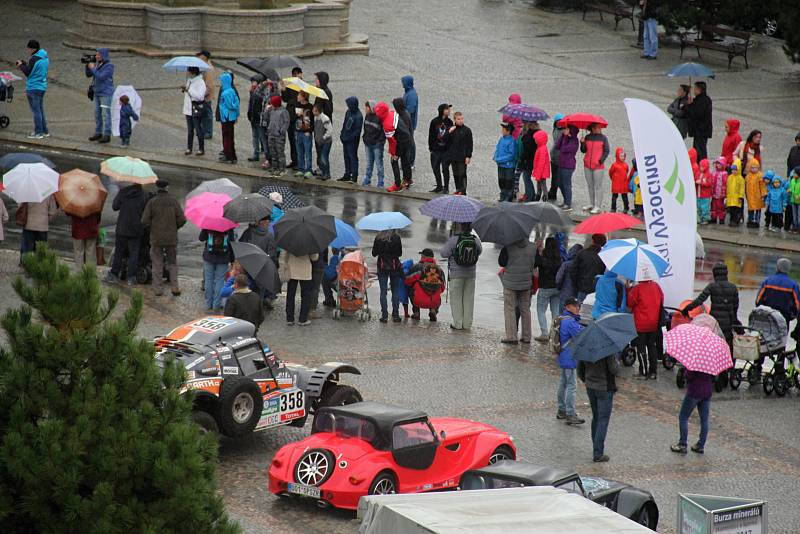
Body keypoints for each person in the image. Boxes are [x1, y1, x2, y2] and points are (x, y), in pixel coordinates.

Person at [141, 180, 186, 297]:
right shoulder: (174, 201)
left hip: (156, 238)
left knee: (157, 263)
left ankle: (158, 288)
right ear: (167, 187)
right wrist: (174, 227)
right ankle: (174, 286)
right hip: (171, 238)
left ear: (157, 188)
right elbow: (182, 219)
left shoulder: (152, 202)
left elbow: (144, 220)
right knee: (172, 262)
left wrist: (153, 227)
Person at [682, 262, 739, 345]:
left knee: (714, 343)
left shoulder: (712, 286)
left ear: (715, 274)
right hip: (728, 323)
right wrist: (734, 321)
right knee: (726, 345)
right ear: (726, 273)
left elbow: (700, 300)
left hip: (714, 322)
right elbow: (735, 307)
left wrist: (687, 308)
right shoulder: (733, 287)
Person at [440, 222, 482, 330]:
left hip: (456, 274)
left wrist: (451, 243)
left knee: (456, 299)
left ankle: (457, 323)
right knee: (468, 299)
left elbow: (443, 253)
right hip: (471, 274)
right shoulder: (475, 239)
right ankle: (467, 324)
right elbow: (480, 251)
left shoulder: (454, 239)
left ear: (461, 226)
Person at [578, 351, 618, 462]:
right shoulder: (607, 349)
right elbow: (614, 369)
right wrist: (617, 362)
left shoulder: (586, 346)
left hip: (590, 386)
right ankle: (598, 452)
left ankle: (595, 445)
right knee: (603, 420)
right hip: (604, 387)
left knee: (596, 417)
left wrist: (586, 380)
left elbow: (580, 369)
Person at [105, 183, 148, 285]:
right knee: (134, 253)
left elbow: (115, 206)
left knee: (119, 252)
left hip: (122, 228)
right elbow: (146, 212)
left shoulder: (123, 192)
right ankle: (131, 277)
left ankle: (114, 274)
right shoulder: (144, 195)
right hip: (136, 229)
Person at [499, 238, 536, 345]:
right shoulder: (533, 247)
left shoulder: (508, 246)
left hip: (510, 283)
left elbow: (501, 262)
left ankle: (511, 336)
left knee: (509, 309)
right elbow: (537, 263)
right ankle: (526, 336)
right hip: (526, 283)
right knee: (525, 309)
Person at [556, 297, 586, 426]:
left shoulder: (563, 319)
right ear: (567, 307)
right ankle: (570, 413)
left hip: (563, 356)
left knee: (563, 383)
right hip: (570, 357)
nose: (577, 308)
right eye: (575, 306)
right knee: (571, 386)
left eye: (578, 306)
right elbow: (582, 335)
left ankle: (562, 410)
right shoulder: (570, 322)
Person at [628, 278, 664, 379]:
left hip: (641, 323)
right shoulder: (656, 286)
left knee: (641, 347)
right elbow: (662, 300)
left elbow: (630, 303)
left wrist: (628, 289)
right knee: (652, 346)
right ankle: (653, 372)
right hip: (654, 322)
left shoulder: (637, 289)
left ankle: (643, 372)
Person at [373, 101, 413, 193]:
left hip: (401, 142)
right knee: (405, 161)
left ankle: (397, 185)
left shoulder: (387, 125)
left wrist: (393, 153)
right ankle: (408, 179)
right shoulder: (392, 113)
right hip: (407, 139)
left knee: (394, 161)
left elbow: (392, 142)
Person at [671, 370, 713, 454]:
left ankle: (682, 444)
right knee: (704, 420)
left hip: (694, 390)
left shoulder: (695, 361)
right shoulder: (710, 362)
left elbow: (689, 376)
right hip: (707, 391)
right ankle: (700, 445)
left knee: (683, 417)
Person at [16, 39, 49, 139]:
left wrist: (21, 65)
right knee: (40, 110)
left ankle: (38, 133)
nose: (28, 51)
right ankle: (45, 131)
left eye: (29, 49)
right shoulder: (45, 57)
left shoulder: (34, 59)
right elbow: (34, 69)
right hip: (42, 86)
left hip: (33, 87)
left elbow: (28, 73)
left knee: (36, 111)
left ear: (32, 49)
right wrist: (26, 64)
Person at [755, 257, 800, 326]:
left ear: (777, 267)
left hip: (767, 316)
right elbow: (797, 305)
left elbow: (758, 301)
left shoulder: (767, 281)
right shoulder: (793, 285)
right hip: (784, 319)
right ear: (788, 269)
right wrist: (791, 316)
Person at [405, 249, 446, 322]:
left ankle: (416, 313)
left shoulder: (417, 267)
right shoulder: (439, 270)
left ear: (423, 256)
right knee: (437, 290)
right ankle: (433, 310)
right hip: (434, 301)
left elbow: (407, 281)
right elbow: (443, 288)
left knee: (412, 286)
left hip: (418, 299)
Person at [372, 229, 403, 323]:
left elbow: (374, 253)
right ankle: (396, 315)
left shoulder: (378, 238)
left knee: (383, 292)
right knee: (395, 291)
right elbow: (399, 253)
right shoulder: (397, 237)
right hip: (394, 267)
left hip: (382, 267)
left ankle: (384, 315)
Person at [199, 229, 234, 311]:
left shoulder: (208, 223)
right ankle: (216, 305)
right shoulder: (228, 224)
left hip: (209, 257)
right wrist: (232, 259)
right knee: (220, 280)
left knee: (208, 279)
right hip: (223, 257)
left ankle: (208, 304)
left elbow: (201, 238)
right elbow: (232, 242)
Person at [281, 250, 319, 326]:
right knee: (305, 296)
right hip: (305, 271)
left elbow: (284, 255)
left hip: (292, 270)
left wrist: (285, 263)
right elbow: (314, 258)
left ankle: (290, 319)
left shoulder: (290, 240)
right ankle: (302, 319)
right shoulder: (310, 242)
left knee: (290, 295)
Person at [534, 237, 561, 342]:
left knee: (541, 310)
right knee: (555, 312)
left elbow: (535, 263)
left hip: (545, 288)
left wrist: (537, 250)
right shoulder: (559, 258)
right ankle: (554, 334)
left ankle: (544, 333)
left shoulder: (543, 258)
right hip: (557, 288)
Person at [85, 48, 114, 143]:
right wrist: (88, 66)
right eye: (96, 54)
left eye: (98, 55)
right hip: (97, 92)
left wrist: (93, 68)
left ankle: (107, 134)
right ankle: (98, 132)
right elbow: (89, 75)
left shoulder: (109, 66)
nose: (96, 56)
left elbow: (101, 77)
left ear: (103, 55)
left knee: (106, 114)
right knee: (97, 113)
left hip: (106, 93)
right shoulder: (97, 64)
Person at [580, 123, 610, 213]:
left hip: (598, 166)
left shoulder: (603, 138)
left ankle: (598, 206)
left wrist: (600, 161)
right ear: (592, 128)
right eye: (597, 127)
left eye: (599, 127)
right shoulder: (587, 137)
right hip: (587, 165)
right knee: (590, 185)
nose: (599, 129)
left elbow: (606, 150)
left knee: (598, 186)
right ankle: (592, 204)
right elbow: (583, 150)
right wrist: (581, 143)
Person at [570, 233, 607, 302]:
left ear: (592, 241)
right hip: (597, 289)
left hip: (582, 287)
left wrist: (577, 284)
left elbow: (573, 270)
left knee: (579, 308)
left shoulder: (582, 253)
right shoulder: (604, 256)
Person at [445, 111, 473, 196]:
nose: (460, 120)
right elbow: (445, 140)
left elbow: (470, 144)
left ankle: (463, 190)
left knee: (462, 174)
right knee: (456, 174)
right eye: (458, 119)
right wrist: (449, 132)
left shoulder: (467, 130)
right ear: (455, 120)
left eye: (461, 119)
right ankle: (458, 188)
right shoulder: (452, 129)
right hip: (453, 156)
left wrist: (468, 156)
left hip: (462, 156)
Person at [428, 103, 453, 193]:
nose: (449, 111)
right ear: (442, 111)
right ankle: (439, 186)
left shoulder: (449, 122)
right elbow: (430, 135)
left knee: (445, 169)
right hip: (436, 150)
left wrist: (450, 149)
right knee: (435, 168)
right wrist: (431, 148)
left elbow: (451, 136)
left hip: (446, 150)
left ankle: (446, 188)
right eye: (447, 109)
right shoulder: (434, 121)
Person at [182, 66, 206, 156]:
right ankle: (189, 148)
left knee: (198, 129)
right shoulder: (189, 80)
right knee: (190, 130)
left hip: (196, 109)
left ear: (192, 72)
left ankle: (201, 149)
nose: (186, 73)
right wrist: (185, 90)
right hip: (188, 109)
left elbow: (200, 96)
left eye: (188, 71)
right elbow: (188, 93)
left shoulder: (200, 82)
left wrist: (189, 90)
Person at [686, 81, 713, 161]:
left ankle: (702, 165)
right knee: (699, 149)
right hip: (701, 130)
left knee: (700, 151)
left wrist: (689, 106)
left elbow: (697, 114)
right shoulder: (703, 99)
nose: (694, 91)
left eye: (695, 88)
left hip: (701, 130)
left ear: (699, 89)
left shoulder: (701, 101)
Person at [339, 96, 363, 182]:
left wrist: (348, 138)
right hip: (346, 138)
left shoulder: (359, 116)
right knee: (346, 157)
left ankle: (354, 175)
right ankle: (347, 174)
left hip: (352, 141)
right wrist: (342, 134)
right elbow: (345, 124)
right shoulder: (348, 112)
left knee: (352, 157)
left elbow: (357, 132)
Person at [392, 98, 416, 187]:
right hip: (408, 141)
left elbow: (403, 131)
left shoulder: (403, 116)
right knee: (405, 162)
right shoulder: (404, 113)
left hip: (406, 142)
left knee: (405, 162)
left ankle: (407, 179)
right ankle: (407, 179)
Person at [554, 125, 579, 211]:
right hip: (561, 163)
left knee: (567, 185)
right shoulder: (564, 137)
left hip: (569, 165)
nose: (564, 130)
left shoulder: (574, 140)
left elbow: (564, 149)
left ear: (571, 130)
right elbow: (557, 146)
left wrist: (565, 140)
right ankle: (566, 201)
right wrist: (562, 136)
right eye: (564, 128)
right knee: (559, 183)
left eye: (566, 129)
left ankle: (568, 204)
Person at [362, 100, 386, 187]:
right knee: (369, 163)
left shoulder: (379, 117)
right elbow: (365, 128)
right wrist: (364, 138)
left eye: (366, 107)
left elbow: (383, 133)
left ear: (371, 108)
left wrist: (379, 142)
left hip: (376, 145)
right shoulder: (367, 116)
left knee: (379, 164)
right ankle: (367, 179)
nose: (365, 109)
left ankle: (380, 182)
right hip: (368, 143)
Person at [217, 72, 240, 164]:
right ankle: (233, 156)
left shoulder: (226, 92)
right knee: (230, 137)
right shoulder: (232, 90)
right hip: (231, 117)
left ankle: (228, 156)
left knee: (227, 138)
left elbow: (230, 105)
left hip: (226, 118)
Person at [265, 95, 290, 177]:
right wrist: (266, 111)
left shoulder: (284, 111)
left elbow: (286, 122)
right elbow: (266, 118)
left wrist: (281, 131)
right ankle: (275, 167)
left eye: (272, 103)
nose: (271, 105)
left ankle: (282, 169)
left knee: (280, 153)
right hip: (271, 134)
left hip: (279, 136)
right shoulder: (271, 110)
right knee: (273, 152)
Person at [292, 91, 314, 179]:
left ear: (304, 97)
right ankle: (301, 168)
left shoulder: (310, 107)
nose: (298, 97)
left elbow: (312, 120)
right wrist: (297, 116)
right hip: (298, 131)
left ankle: (308, 169)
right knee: (299, 151)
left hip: (306, 132)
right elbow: (293, 118)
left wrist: (310, 130)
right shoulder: (296, 105)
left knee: (307, 152)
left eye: (299, 95)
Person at [247, 75, 268, 162]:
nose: (252, 83)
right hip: (253, 118)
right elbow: (251, 104)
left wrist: (254, 92)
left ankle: (267, 156)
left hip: (259, 119)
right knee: (255, 137)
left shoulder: (262, 92)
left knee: (263, 138)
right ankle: (256, 154)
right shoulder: (254, 92)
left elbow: (262, 100)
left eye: (254, 82)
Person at [196, 50, 216, 140]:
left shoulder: (208, 69)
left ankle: (208, 132)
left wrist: (203, 95)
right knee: (203, 114)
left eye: (200, 57)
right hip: (202, 95)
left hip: (206, 96)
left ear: (204, 57)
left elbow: (209, 85)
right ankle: (203, 130)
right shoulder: (203, 67)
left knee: (207, 114)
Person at [494, 123, 517, 202]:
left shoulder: (512, 141)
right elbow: (497, 148)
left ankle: (508, 196)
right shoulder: (501, 139)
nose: (502, 131)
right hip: (500, 165)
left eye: (503, 129)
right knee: (501, 180)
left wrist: (499, 159)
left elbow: (511, 155)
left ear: (508, 131)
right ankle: (502, 194)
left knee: (508, 181)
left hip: (508, 166)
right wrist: (495, 156)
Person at [556, 243, 583, 311]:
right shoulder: (583, 266)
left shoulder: (566, 264)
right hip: (577, 295)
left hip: (565, 293)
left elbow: (558, 279)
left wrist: (559, 288)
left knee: (562, 314)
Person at [312, 102, 333, 181]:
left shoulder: (325, 118)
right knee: (320, 157)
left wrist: (323, 137)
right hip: (319, 141)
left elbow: (330, 130)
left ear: (318, 111)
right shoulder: (316, 118)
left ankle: (327, 174)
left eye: (314, 111)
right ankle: (323, 172)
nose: (313, 112)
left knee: (324, 157)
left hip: (326, 142)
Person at [401, 75, 418, 167]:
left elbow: (410, 109)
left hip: (409, 123)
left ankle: (411, 162)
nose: (402, 84)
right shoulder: (408, 92)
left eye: (403, 82)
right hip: (407, 122)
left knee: (410, 142)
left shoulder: (411, 95)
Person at [744, 159, 766, 228]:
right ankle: (750, 220)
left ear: (758, 168)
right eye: (752, 168)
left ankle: (756, 221)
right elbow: (746, 186)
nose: (754, 169)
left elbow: (762, 186)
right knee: (750, 209)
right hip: (750, 197)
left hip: (757, 197)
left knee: (757, 210)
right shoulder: (748, 176)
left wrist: (763, 194)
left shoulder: (760, 176)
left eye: (755, 168)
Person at [608, 147, 630, 213]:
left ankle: (626, 208)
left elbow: (627, 171)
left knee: (625, 197)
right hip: (616, 184)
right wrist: (613, 179)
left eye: (623, 156)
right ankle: (613, 208)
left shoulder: (625, 165)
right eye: (621, 156)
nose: (622, 157)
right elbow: (610, 172)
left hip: (623, 184)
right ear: (617, 156)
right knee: (614, 197)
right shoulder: (614, 165)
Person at [532, 129, 550, 201]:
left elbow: (541, 163)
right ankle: (538, 195)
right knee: (539, 184)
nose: (535, 141)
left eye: (536, 139)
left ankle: (545, 196)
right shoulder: (540, 147)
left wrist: (538, 175)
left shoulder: (542, 149)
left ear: (540, 140)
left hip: (541, 172)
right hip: (540, 171)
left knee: (542, 184)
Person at [726, 159, 745, 226]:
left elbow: (742, 189)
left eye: (735, 170)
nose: (733, 171)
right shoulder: (729, 177)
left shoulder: (740, 178)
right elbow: (728, 188)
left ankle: (736, 221)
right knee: (731, 211)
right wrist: (727, 196)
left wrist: (740, 196)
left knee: (736, 210)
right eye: (732, 170)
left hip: (737, 198)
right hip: (731, 198)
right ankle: (732, 221)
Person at [710, 157, 728, 224]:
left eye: (719, 164)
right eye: (717, 163)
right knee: (713, 206)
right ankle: (713, 218)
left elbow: (726, 184)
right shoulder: (713, 173)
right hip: (714, 194)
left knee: (721, 207)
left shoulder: (725, 173)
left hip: (721, 194)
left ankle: (721, 218)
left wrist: (726, 194)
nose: (718, 165)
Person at [696, 158, 712, 224]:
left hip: (705, 195)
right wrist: (696, 181)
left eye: (703, 167)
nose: (701, 168)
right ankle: (699, 218)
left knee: (705, 207)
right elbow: (695, 179)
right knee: (699, 207)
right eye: (700, 166)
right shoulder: (698, 173)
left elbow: (709, 183)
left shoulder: (708, 174)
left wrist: (701, 182)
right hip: (699, 194)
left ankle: (705, 218)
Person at [789, 168, 800, 232]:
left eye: (795, 173)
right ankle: (795, 226)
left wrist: (799, 196)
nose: (793, 174)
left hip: (799, 201)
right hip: (793, 200)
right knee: (794, 214)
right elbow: (791, 187)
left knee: (799, 214)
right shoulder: (792, 180)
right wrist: (790, 190)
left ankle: (798, 226)